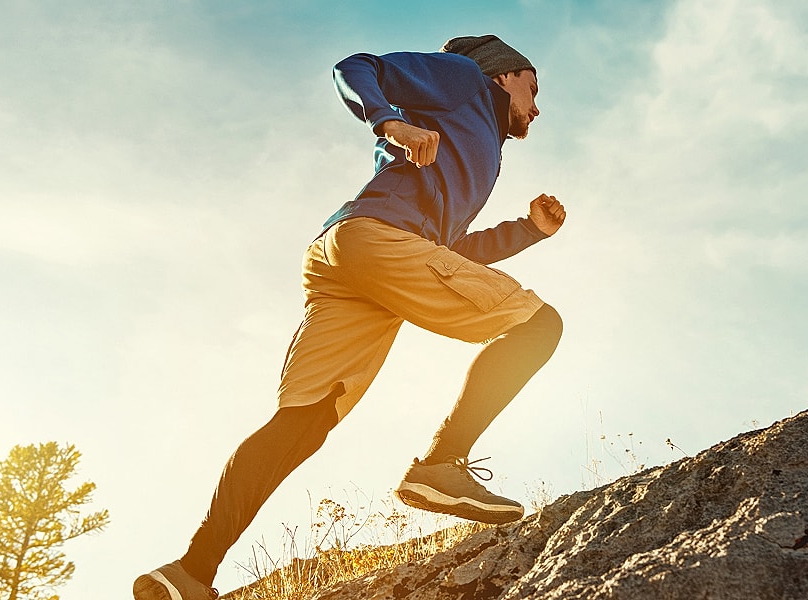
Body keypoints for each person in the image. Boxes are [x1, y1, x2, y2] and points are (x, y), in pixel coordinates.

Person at [133, 34, 566, 600]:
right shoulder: (466, 80)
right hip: (377, 239)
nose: (537, 107)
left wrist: (529, 231)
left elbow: (447, 253)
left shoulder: (475, 140)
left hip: (351, 255)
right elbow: (356, 67)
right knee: (538, 325)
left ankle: (190, 573)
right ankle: (441, 464)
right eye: (534, 87)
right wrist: (390, 123)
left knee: (303, 422)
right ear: (505, 74)